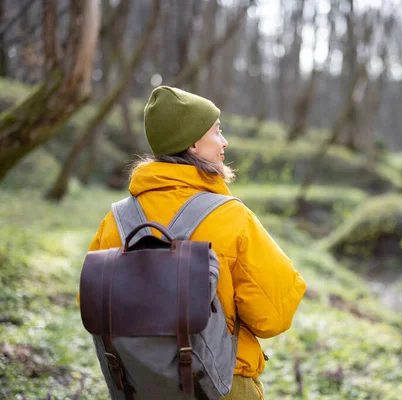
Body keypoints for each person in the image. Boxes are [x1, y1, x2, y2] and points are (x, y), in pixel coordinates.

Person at [85, 86, 307, 399]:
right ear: (192, 143)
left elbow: (91, 303)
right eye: (217, 131)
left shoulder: (117, 219)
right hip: (220, 384)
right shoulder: (231, 217)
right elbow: (274, 316)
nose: (224, 141)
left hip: (141, 385)